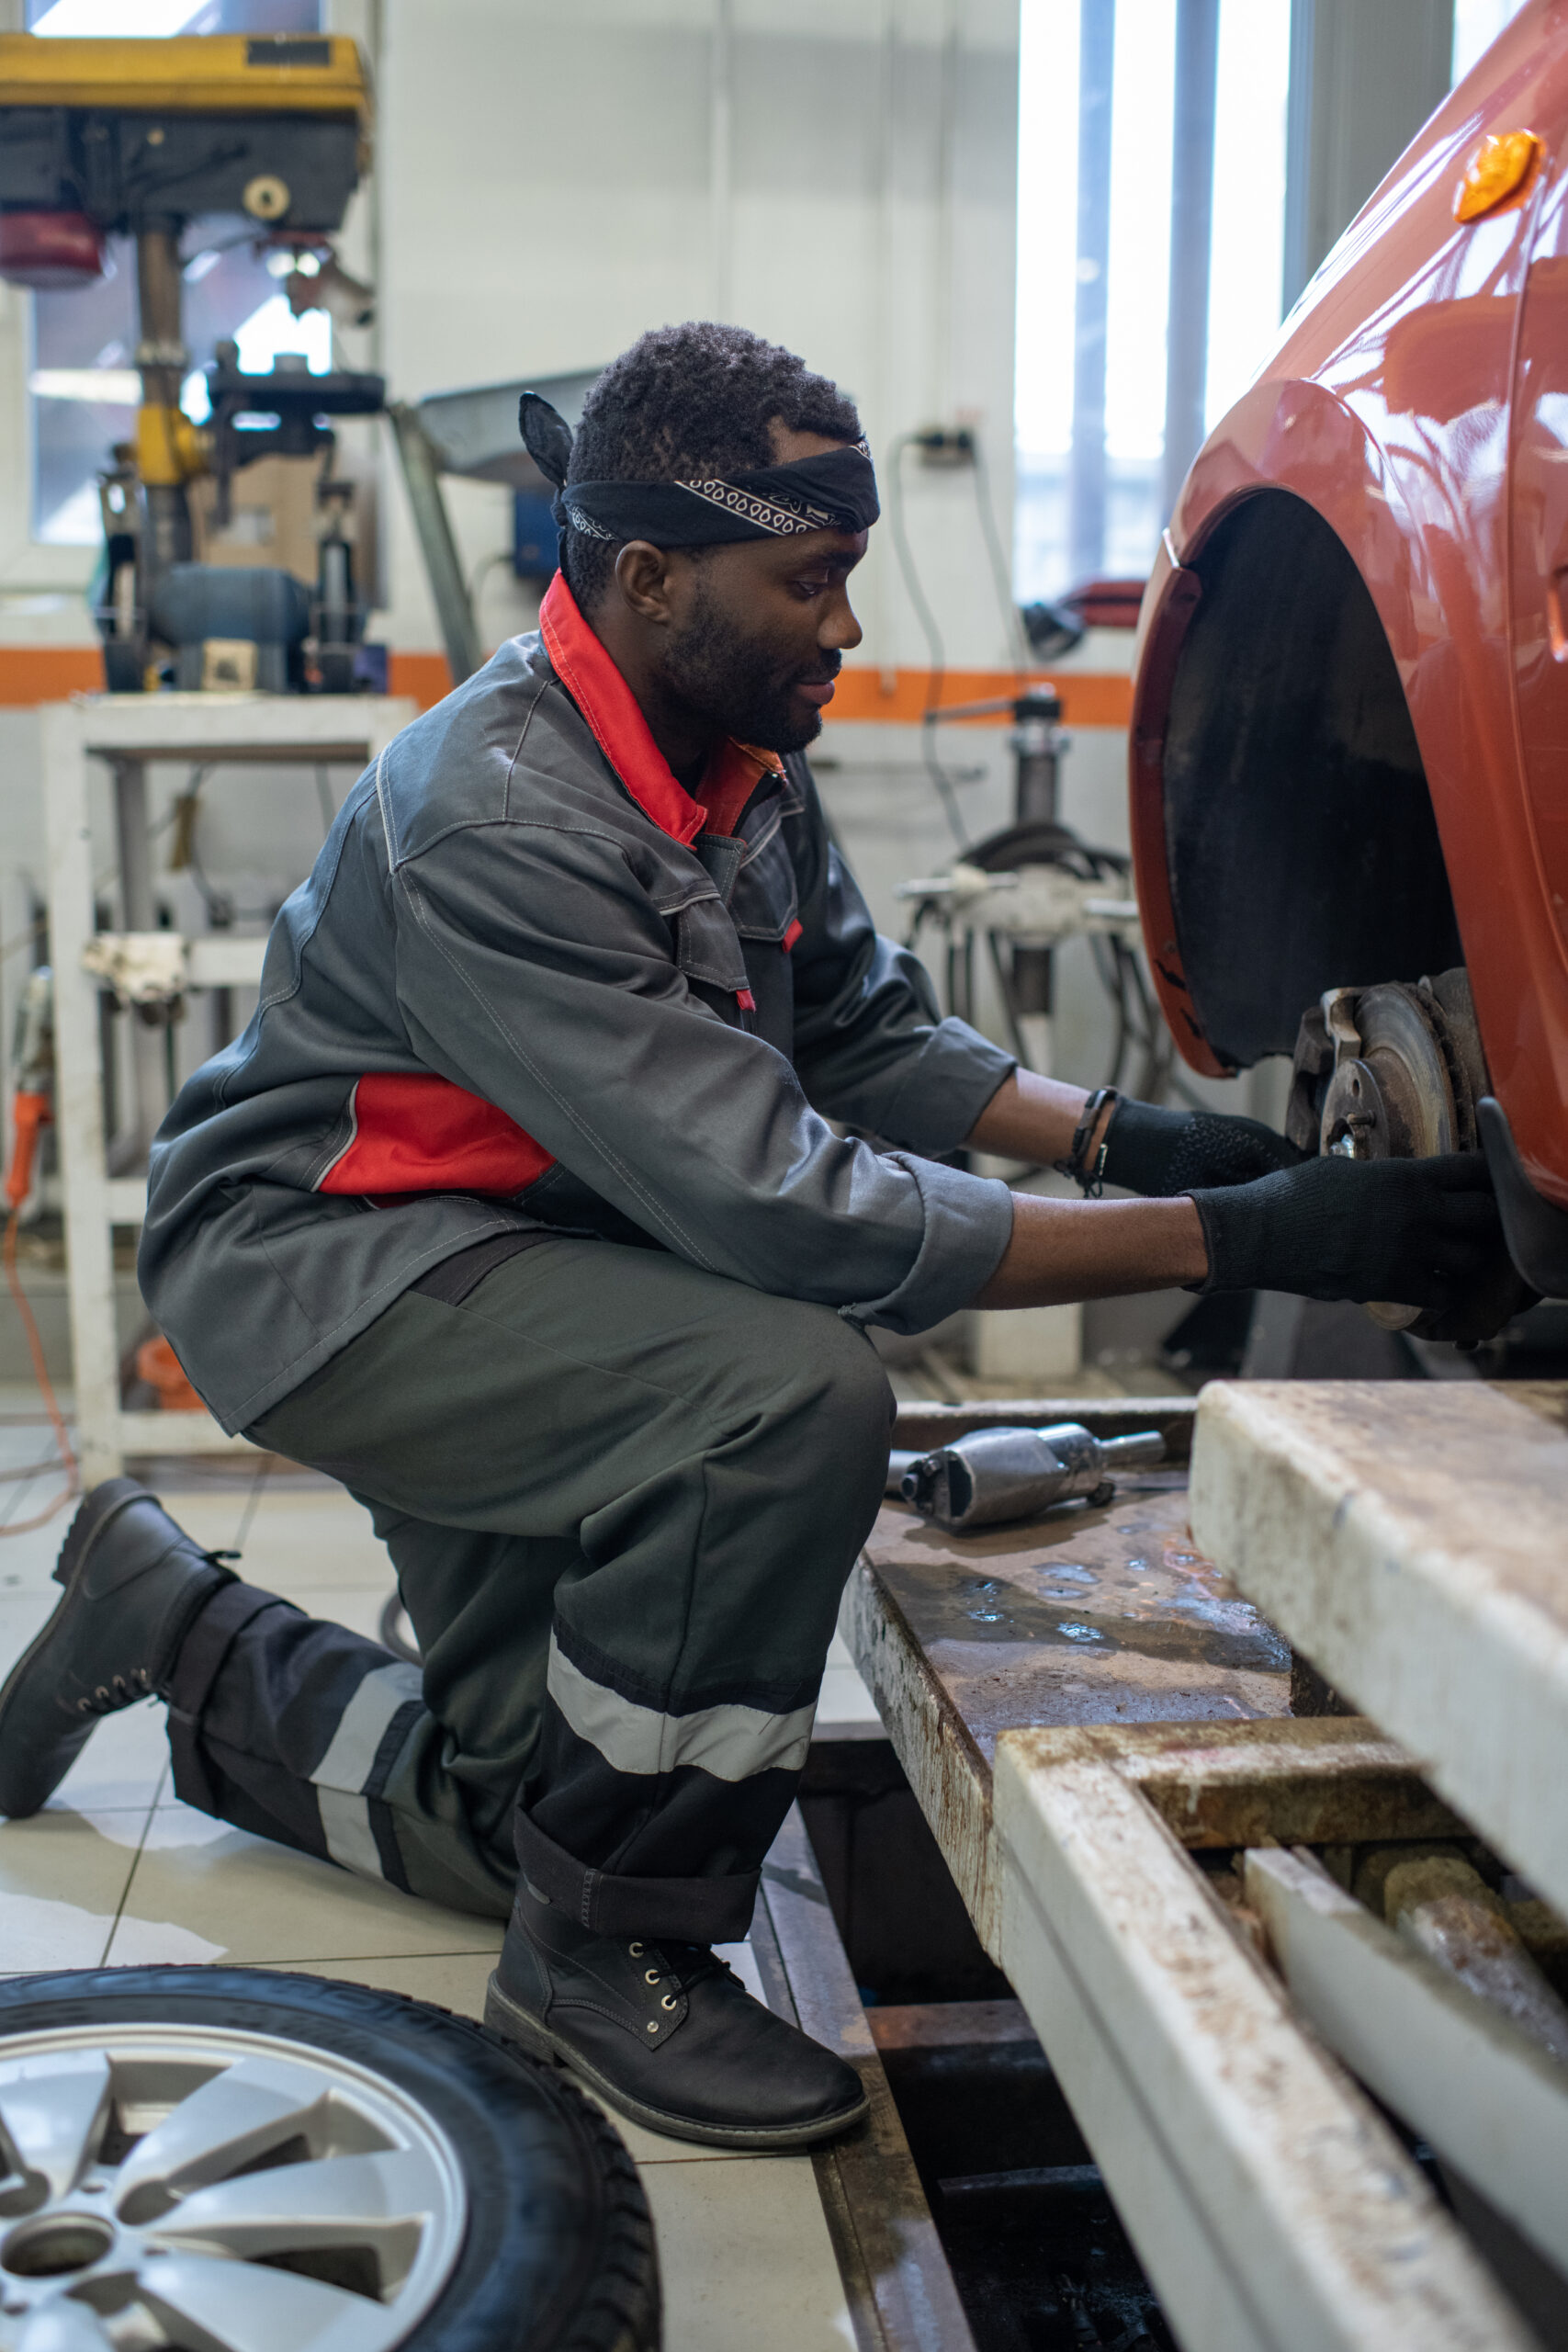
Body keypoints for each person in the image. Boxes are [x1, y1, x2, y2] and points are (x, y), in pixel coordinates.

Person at [0, 323, 1504, 2152]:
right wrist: (1229, 1231)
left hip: (523, 1241)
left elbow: (862, 1029)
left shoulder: (726, 752)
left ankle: (167, 1617)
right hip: (333, 1261)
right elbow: (784, 1206)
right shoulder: (501, 811)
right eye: (810, 580)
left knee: (526, 1811)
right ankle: (603, 1961)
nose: (846, 629)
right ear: (650, 577)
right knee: (775, 1391)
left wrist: (1115, 1135)